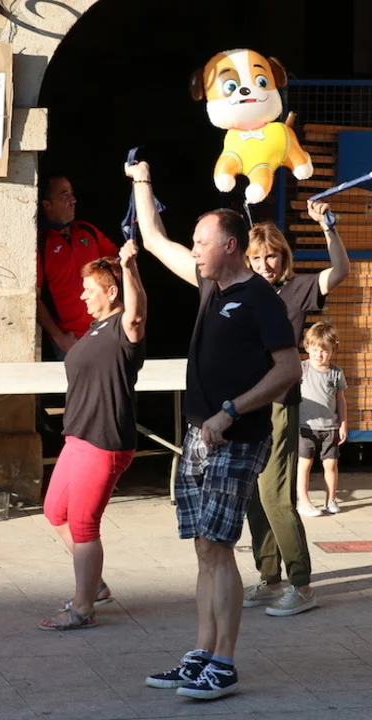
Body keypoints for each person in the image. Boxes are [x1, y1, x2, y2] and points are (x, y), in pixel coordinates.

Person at [125, 160, 302, 700]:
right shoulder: (209, 285)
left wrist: (231, 411)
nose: (195, 249)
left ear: (230, 245)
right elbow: (154, 238)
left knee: (219, 546)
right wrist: (142, 180)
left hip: (237, 437)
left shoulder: (260, 299)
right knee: (204, 547)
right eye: (196, 243)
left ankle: (223, 662)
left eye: (203, 242)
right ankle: (201, 654)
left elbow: (289, 370)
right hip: (199, 436)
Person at [240, 205, 350, 617]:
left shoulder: (298, 289)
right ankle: (270, 579)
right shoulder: (241, 291)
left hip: (278, 405)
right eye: (256, 257)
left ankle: (301, 585)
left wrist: (328, 227)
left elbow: (340, 271)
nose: (264, 264)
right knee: (253, 495)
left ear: (283, 257)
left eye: (271, 256)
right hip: (245, 403)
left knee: (275, 495)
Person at [38, 240, 147, 631]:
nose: (82, 295)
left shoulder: (123, 328)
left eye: (89, 289)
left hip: (104, 440)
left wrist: (129, 267)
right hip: (77, 437)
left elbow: (137, 315)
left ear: (111, 291)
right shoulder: (96, 329)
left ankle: (83, 607)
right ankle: (94, 582)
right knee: (55, 511)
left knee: (84, 524)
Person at [37, 174, 120, 359]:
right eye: (64, 194)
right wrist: (59, 338)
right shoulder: (41, 244)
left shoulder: (87, 231)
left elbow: (120, 265)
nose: (73, 200)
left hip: (105, 331)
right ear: (47, 205)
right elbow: (35, 299)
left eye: (72, 193)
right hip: (71, 341)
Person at [296, 321, 348, 516]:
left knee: (331, 464)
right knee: (304, 464)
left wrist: (343, 424)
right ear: (307, 347)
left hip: (330, 427)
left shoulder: (336, 373)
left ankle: (331, 499)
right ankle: (303, 501)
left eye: (325, 350)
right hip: (305, 427)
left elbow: (340, 400)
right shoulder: (301, 369)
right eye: (316, 349)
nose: (319, 354)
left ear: (333, 350)